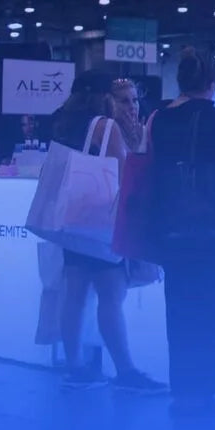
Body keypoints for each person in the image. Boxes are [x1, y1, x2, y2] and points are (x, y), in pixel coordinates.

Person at [49, 72, 165, 393]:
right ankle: (126, 370)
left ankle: (75, 367)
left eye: (134, 100)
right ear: (106, 97)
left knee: (74, 294)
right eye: (123, 100)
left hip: (75, 218)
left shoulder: (65, 124)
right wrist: (137, 143)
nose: (130, 107)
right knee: (111, 296)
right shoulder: (106, 126)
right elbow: (125, 172)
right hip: (103, 221)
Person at [150, 47, 215, 411]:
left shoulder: (159, 117)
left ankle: (183, 387)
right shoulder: (211, 118)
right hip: (209, 226)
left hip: (169, 221)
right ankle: (206, 388)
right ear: (211, 82)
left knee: (179, 306)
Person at [109, 78, 145, 154]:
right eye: (125, 101)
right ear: (112, 104)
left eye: (135, 100)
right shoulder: (107, 133)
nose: (132, 106)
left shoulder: (146, 131)